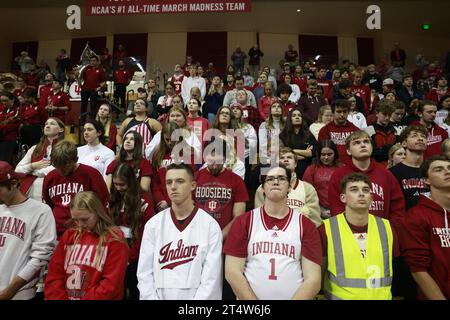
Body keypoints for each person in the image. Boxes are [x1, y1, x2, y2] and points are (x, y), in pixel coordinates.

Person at [224, 165, 322, 300]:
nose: (276, 182)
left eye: (281, 178)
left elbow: (314, 280)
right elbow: (232, 272)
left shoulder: (305, 225)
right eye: (270, 179)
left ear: (289, 187)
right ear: (263, 188)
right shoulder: (244, 222)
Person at [137, 163, 223, 300]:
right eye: (169, 182)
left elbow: (211, 279)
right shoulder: (153, 225)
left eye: (180, 181)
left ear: (193, 186)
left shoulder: (210, 226)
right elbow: (144, 274)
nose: (173, 187)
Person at [319, 173, 397, 300]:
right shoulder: (326, 229)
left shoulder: (387, 228)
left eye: (365, 190)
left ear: (371, 198)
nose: (361, 194)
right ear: (343, 197)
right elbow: (319, 272)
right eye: (354, 189)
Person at [44, 191, 129, 300]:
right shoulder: (69, 235)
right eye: (75, 220)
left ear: (97, 213)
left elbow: (110, 284)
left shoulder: (114, 238)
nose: (80, 224)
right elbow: (54, 276)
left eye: (85, 219)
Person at [328, 131, 405, 231]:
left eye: (366, 142)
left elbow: (397, 208)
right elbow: (336, 208)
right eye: (357, 143)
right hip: (349, 233)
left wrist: (390, 230)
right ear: (348, 151)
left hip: (381, 233)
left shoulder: (386, 174)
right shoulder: (339, 175)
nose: (363, 145)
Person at [0, 161, 56, 300]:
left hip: (19, 294)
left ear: (13, 184)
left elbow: (39, 258)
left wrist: (10, 291)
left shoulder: (41, 211)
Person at [400, 156, 450, 300]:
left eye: (449, 168)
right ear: (426, 180)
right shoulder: (415, 217)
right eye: (439, 169)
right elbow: (418, 270)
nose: (447, 172)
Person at [42, 140, 110, 239]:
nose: (61, 171)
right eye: (57, 167)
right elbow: (49, 204)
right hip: (57, 233)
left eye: (65, 167)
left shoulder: (91, 174)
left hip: (86, 232)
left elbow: (102, 204)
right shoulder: (50, 177)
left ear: (76, 159)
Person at [109, 164, 154, 300]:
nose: (118, 188)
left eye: (122, 184)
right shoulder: (113, 197)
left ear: (131, 182)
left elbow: (148, 232)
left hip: (137, 253)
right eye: (115, 184)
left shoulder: (144, 198)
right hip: (116, 253)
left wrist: (131, 256)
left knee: (136, 291)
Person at [194, 140, 249, 239]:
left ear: (224, 157)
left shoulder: (236, 181)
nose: (214, 164)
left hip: (224, 237)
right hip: (197, 234)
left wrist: (219, 237)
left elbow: (238, 217)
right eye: (211, 158)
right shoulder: (195, 178)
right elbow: (187, 209)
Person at [254, 147, 321, 226]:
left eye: (289, 157)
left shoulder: (308, 188)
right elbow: (259, 219)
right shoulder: (263, 188)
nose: (285, 160)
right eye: (282, 158)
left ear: (295, 164)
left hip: (301, 233)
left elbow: (315, 221)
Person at [15, 117, 65, 201]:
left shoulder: (65, 148)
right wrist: (32, 166)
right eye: (46, 124)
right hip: (29, 191)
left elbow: (59, 168)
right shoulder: (34, 148)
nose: (48, 126)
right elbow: (17, 170)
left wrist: (34, 172)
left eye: (52, 124)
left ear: (61, 129)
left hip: (53, 191)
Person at [389, 125, 429, 210]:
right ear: (404, 143)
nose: (420, 139)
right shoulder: (392, 173)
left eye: (423, 136)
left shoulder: (431, 170)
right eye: (414, 136)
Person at [303, 140, 343, 219]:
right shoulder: (311, 169)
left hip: (341, 209)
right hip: (318, 211)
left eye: (329, 154)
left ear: (335, 154)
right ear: (318, 154)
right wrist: (319, 209)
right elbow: (307, 193)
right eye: (323, 154)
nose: (326, 157)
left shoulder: (342, 168)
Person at [318, 99, 359, 165]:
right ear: (333, 112)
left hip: (352, 166)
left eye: (345, 112)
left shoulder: (355, 130)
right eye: (339, 112)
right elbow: (322, 152)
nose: (342, 115)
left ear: (348, 112)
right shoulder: (325, 130)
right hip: (331, 166)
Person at [279, 108, 317, 179]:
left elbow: (313, 153)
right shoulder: (283, 135)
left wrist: (293, 151)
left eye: (299, 115)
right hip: (288, 167)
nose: (297, 117)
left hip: (306, 167)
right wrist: (305, 154)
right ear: (290, 119)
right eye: (294, 115)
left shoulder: (308, 135)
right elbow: (283, 154)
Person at [366, 100, 397, 166]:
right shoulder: (369, 130)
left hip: (393, 166)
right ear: (377, 113)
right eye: (384, 114)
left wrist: (382, 150)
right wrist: (389, 150)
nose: (387, 118)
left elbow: (398, 151)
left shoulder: (395, 130)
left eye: (389, 115)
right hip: (376, 166)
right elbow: (372, 153)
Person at [80, 56, 107, 122]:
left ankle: (92, 121)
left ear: (97, 62)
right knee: (83, 105)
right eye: (91, 60)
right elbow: (80, 77)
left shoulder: (101, 70)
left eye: (94, 60)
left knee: (93, 106)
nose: (92, 62)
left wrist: (99, 88)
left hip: (94, 90)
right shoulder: (86, 69)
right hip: (85, 89)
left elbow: (104, 82)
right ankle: (82, 121)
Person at [0, 91, 20, 163]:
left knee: (3, 162)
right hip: (1, 138)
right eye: (2, 101)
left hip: (8, 140)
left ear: (12, 100)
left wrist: (2, 125)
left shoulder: (17, 110)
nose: (4, 103)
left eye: (6, 101)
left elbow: (12, 126)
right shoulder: (2, 109)